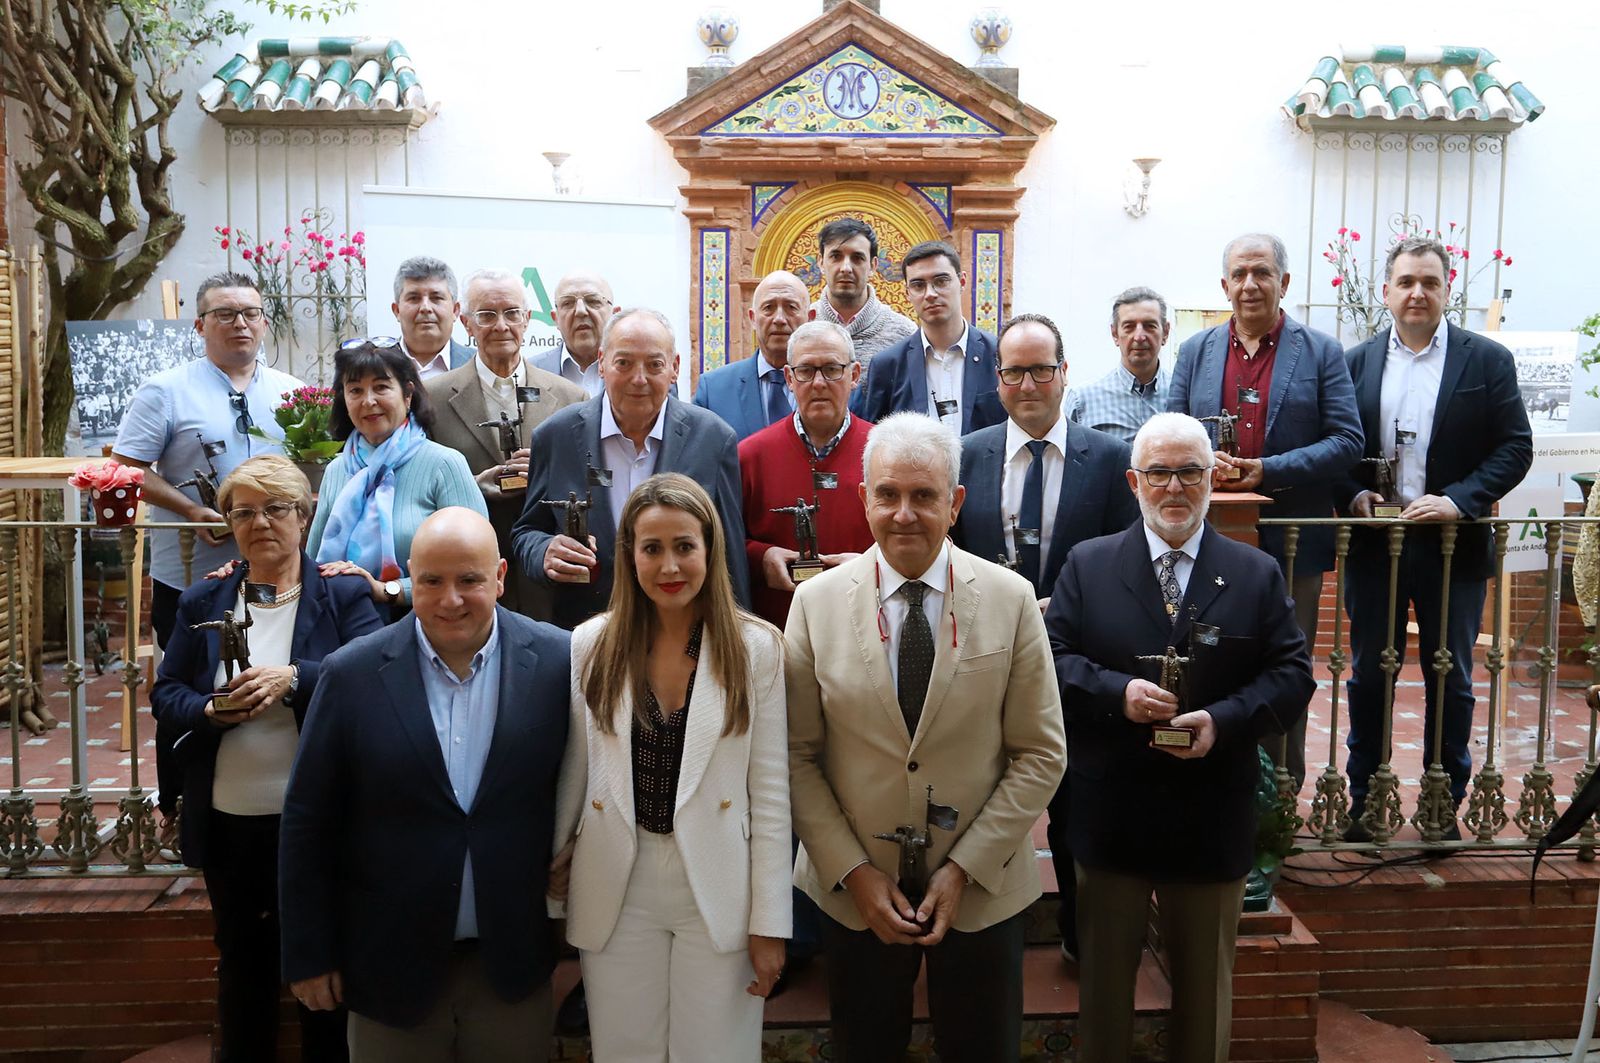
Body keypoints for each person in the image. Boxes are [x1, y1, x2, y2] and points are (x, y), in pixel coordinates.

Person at [786, 412, 1065, 1063]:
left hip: (983, 886)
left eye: (924, 495)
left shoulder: (1011, 599)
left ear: (955, 501)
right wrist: (853, 871)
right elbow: (795, 755)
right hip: (857, 890)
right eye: (887, 494)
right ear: (864, 498)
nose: (904, 513)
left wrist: (965, 867)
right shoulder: (815, 603)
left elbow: (1041, 752)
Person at [1045, 412, 1314, 1063]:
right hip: (1112, 814)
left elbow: (1292, 675)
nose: (1174, 487)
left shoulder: (1254, 572)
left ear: (1212, 478)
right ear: (1133, 481)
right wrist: (1118, 693)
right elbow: (1050, 660)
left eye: (1190, 471)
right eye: (1159, 473)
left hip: (1210, 813)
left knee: (1204, 1002)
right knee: (1104, 997)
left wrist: (1224, 720)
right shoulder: (1088, 565)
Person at [280, 508, 570, 1060]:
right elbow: (308, 821)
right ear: (411, 578)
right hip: (389, 966)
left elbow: (587, 782)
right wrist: (309, 952)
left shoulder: (559, 662)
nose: (450, 599)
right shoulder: (351, 674)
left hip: (511, 961)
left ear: (500, 577)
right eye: (432, 581)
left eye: (469, 580)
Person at [547, 473, 789, 1060]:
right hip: (617, 881)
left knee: (717, 1052)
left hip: (719, 882)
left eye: (685, 546)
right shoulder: (590, 644)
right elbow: (578, 770)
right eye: (652, 548)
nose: (670, 566)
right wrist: (556, 867)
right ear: (629, 554)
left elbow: (771, 794)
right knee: (625, 1050)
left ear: (711, 549)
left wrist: (770, 922)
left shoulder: (756, 648)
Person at [150, 455, 384, 1063]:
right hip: (230, 820)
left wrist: (295, 678)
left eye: (276, 509)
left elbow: (374, 678)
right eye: (243, 512)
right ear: (229, 523)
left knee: (324, 971)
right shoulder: (205, 597)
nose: (260, 523)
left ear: (304, 517)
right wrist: (207, 710)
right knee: (243, 964)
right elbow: (166, 693)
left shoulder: (341, 593)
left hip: (319, 822)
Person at [952, 313, 1137, 965]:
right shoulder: (966, 455)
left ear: (1064, 372)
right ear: (998, 379)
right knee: (978, 802)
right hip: (983, 664)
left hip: (1075, 666)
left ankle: (1082, 938)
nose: (1027, 384)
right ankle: (976, 934)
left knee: (1076, 808)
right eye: (1014, 372)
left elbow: (1126, 562)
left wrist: (1066, 609)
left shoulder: (1109, 459)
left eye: (1040, 370)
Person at [1337, 236, 1533, 842]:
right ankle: (1365, 802)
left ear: (1448, 291)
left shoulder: (1486, 361)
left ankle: (1442, 805)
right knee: (1370, 675)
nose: (1417, 293)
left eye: (1430, 282)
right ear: (1386, 291)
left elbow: (1515, 447)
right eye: (1406, 282)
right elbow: (1337, 444)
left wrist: (1459, 500)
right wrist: (1352, 493)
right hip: (1377, 547)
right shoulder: (1355, 362)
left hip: (1453, 547)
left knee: (1451, 677)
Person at [1167, 232, 1363, 792]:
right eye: (1240, 274)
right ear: (1224, 285)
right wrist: (1206, 462)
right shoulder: (1195, 351)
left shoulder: (1320, 351)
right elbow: (1172, 432)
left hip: (1291, 541)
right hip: (1209, 541)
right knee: (1206, 660)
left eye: (1262, 273)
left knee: (1285, 667)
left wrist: (1266, 470)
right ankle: (1209, 785)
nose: (1250, 284)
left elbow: (1347, 440)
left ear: (1285, 282)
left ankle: (1279, 792)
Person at [512, 307, 751, 631]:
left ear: (674, 368)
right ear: (602, 364)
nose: (639, 379)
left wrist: (736, 635)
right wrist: (544, 552)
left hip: (685, 633)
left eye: (654, 365)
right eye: (624, 363)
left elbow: (730, 554)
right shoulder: (556, 437)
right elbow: (526, 531)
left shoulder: (713, 439)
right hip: (588, 630)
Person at [112, 272, 303, 651]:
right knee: (193, 672)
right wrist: (189, 510)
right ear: (200, 325)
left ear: (264, 323)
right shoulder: (165, 391)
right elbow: (125, 468)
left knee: (271, 664)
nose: (240, 323)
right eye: (225, 314)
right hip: (191, 570)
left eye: (250, 313)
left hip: (277, 572)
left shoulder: (292, 392)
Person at [426, 269, 586, 616]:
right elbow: (419, 488)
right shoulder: (431, 399)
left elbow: (587, 483)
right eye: (487, 315)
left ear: (527, 320)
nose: (501, 325)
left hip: (547, 581)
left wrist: (546, 475)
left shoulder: (571, 398)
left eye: (511, 313)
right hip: (466, 580)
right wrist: (471, 486)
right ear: (466, 324)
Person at [308, 339, 487, 616]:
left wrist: (386, 590)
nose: (369, 401)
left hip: (430, 619)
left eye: (381, 387)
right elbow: (313, 565)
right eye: (355, 390)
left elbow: (478, 561)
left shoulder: (444, 464)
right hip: (343, 621)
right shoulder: (336, 470)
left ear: (407, 395)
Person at [738, 319, 874, 628]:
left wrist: (872, 565)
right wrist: (761, 557)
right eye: (806, 370)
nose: (819, 383)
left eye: (832, 369)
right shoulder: (749, 456)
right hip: (778, 629)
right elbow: (723, 542)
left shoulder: (885, 452)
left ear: (854, 375)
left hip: (865, 628)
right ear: (789, 377)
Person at [854, 241, 1004, 435]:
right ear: (908, 293)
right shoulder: (888, 365)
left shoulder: (998, 354)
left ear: (962, 282)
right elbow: (875, 440)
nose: (930, 294)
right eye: (918, 285)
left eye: (941, 281)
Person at [691, 270, 815, 440]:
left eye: (791, 307)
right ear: (752, 318)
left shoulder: (831, 384)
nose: (779, 319)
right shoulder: (713, 390)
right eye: (768, 308)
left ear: (810, 318)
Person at [1066, 286, 1174, 443]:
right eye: (1129, 327)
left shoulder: (1183, 394)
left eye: (1149, 326)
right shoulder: (1083, 400)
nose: (1139, 337)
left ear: (1166, 332)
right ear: (1115, 334)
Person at [809, 218, 916, 373]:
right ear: (820, 262)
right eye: (836, 257)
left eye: (857, 258)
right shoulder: (802, 324)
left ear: (873, 265)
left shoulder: (904, 333)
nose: (846, 268)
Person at [529, 270, 617, 397]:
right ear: (555, 319)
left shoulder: (634, 370)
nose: (580, 311)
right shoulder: (530, 374)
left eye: (593, 301)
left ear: (614, 315)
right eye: (568, 303)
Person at [392, 256, 475, 380]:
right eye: (414, 298)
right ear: (397, 310)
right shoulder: (373, 365)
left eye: (436, 298)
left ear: (455, 310)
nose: (425, 308)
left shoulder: (479, 367)